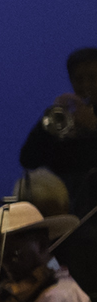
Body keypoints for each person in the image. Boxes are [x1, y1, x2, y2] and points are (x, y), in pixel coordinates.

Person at [18, 47, 97, 210]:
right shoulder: (65, 117)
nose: (85, 85)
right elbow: (28, 160)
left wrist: (94, 126)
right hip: (65, 213)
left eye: (92, 78)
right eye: (78, 79)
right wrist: (47, 124)